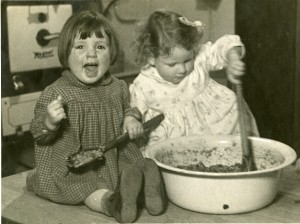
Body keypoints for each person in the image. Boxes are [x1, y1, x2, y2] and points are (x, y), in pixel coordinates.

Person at [26, 11, 165, 223]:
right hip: (75, 165)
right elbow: (38, 133)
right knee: (86, 185)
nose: (91, 55)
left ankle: (142, 192)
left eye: (100, 47)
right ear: (65, 53)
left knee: (127, 169)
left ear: (111, 53)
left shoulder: (117, 87)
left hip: (112, 156)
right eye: (80, 47)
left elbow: (128, 108)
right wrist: (49, 122)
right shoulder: (57, 93)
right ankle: (116, 200)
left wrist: (130, 119)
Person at [130, 10, 259, 146]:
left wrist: (233, 58)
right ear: (151, 57)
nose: (182, 69)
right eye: (172, 64)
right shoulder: (143, 84)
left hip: (216, 127)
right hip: (172, 143)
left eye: (187, 60)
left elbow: (226, 44)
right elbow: (133, 112)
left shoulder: (198, 60)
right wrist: (132, 120)